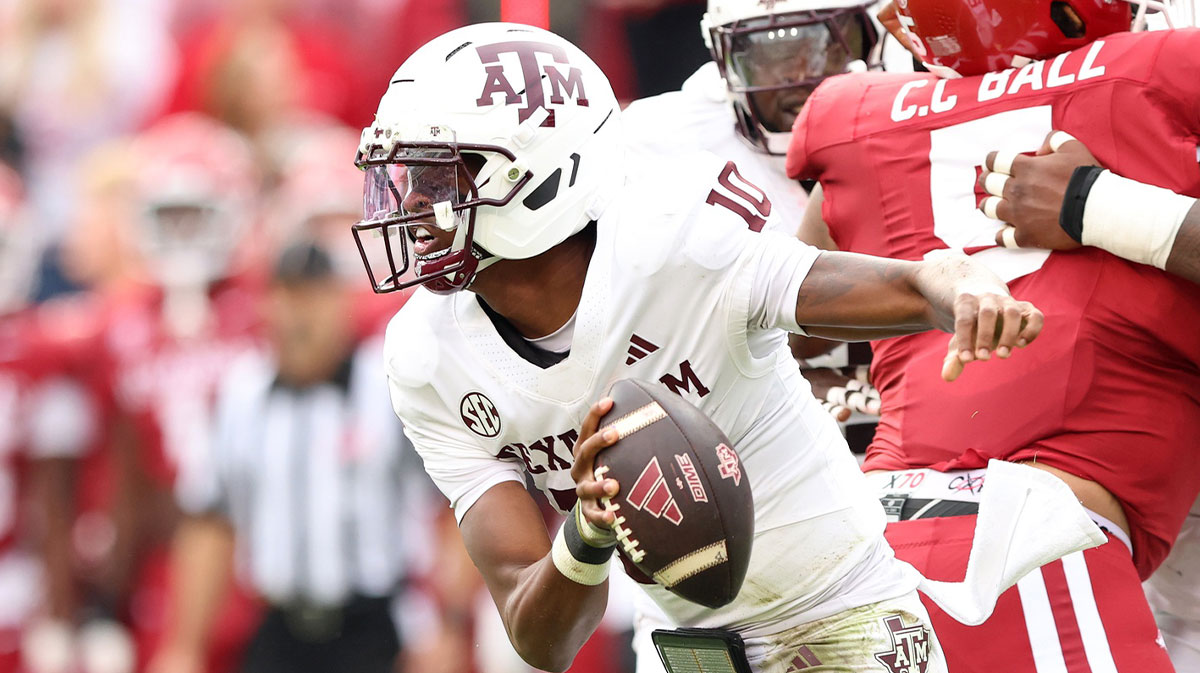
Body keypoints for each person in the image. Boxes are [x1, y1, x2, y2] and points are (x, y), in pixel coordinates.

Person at [356, 22, 1053, 673]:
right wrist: (586, 535)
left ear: (539, 174)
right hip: (683, 650)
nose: (411, 204)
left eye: (439, 176)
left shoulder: (674, 241)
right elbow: (539, 638)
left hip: (847, 613)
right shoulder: (425, 356)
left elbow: (894, 287)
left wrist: (964, 283)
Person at [785, 0, 1200, 670]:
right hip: (1044, 541)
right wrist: (1100, 206)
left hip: (873, 535)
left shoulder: (855, 116)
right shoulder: (1161, 74)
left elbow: (790, 309)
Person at [149, 241, 421, 673]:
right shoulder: (242, 393)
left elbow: (449, 507)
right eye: (286, 295)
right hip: (278, 628)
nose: (298, 314)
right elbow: (210, 522)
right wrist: (184, 646)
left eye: (311, 296)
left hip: (371, 630)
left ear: (340, 302)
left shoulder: (387, 387)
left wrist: (447, 621)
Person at [622, 0, 892, 422]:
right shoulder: (661, 141)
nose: (801, 71)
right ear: (726, 59)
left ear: (871, 35)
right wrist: (779, 387)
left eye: (826, 41)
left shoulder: (918, 105)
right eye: (773, 50)